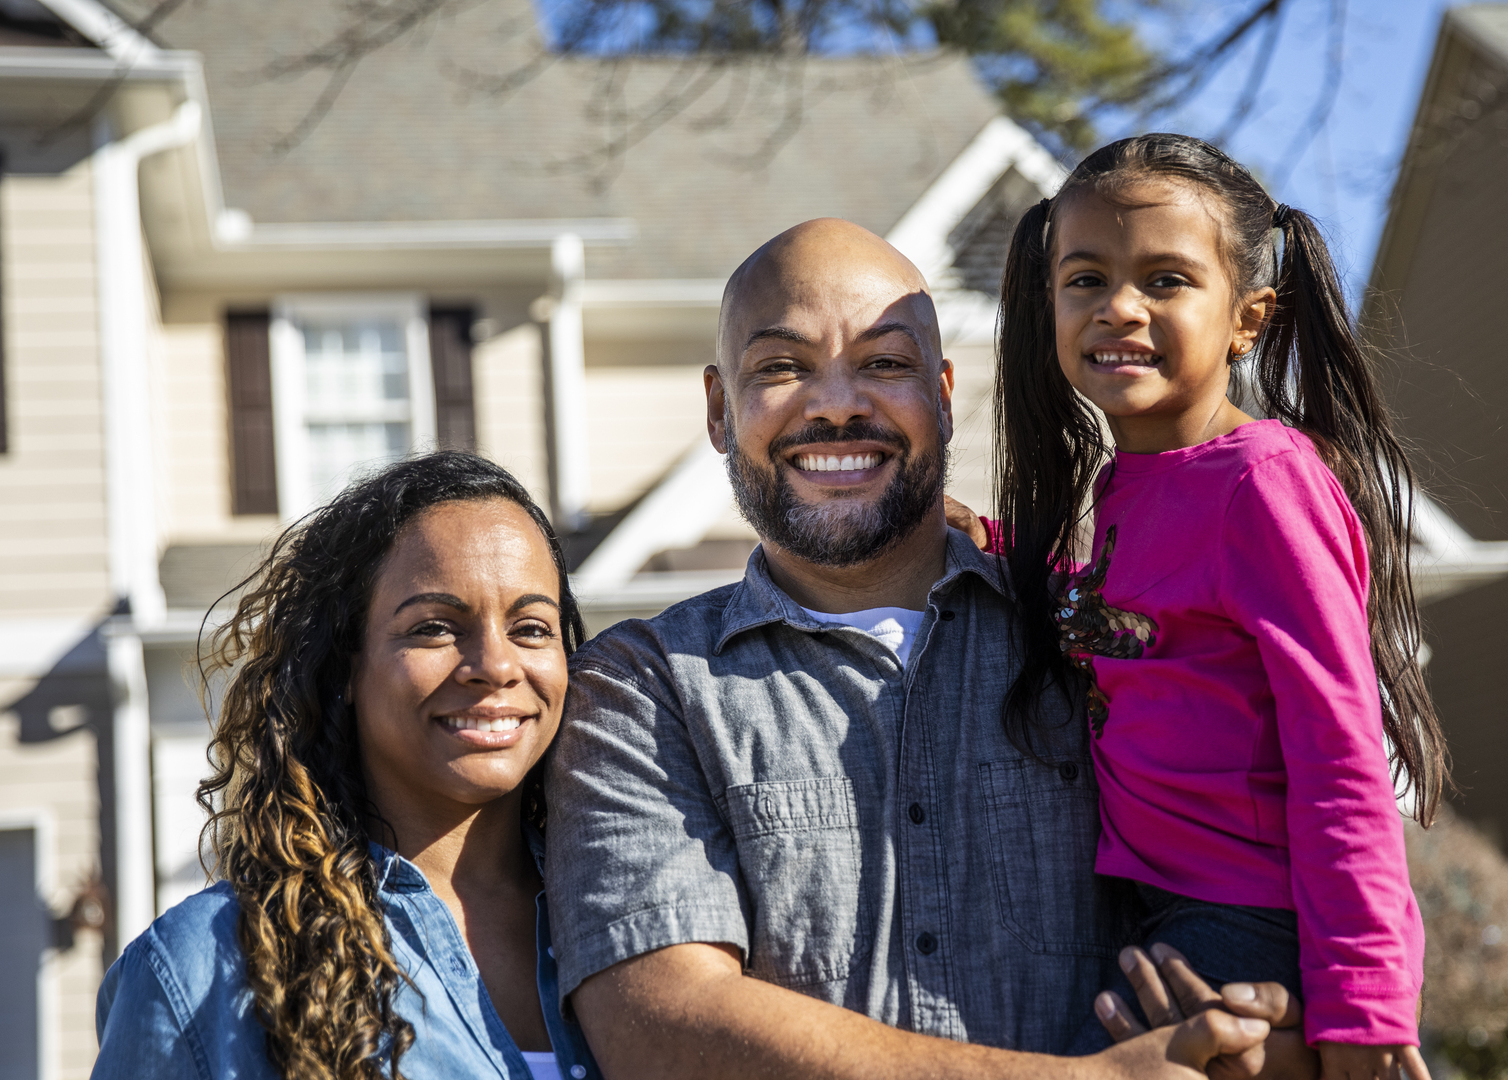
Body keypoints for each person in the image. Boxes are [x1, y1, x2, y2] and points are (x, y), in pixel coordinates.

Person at [544, 218, 1313, 1080]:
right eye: (784, 366)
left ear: (944, 396)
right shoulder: (643, 690)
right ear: (722, 410)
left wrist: (1266, 1029)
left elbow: (1261, 848)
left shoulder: (1094, 632)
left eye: (884, 364)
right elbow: (660, 1025)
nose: (837, 404)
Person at [989, 132, 1439, 1080]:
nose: (1119, 306)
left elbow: (1339, 747)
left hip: (1249, 920)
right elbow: (1145, 631)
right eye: (1084, 278)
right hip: (1149, 908)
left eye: (1165, 280)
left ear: (1249, 320)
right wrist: (985, 546)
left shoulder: (1264, 483)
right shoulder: (1130, 485)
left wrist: (1363, 1004)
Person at [91, 453, 604, 1080]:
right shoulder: (201, 970)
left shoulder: (641, 908)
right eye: (435, 627)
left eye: (530, 628)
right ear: (346, 667)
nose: (495, 665)